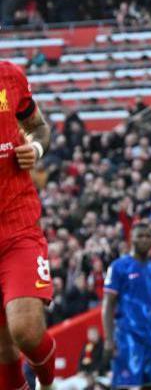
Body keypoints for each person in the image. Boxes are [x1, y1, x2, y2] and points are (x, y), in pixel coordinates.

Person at [0, 61, 56, 390]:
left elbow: (40, 127)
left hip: (18, 227)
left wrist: (34, 148)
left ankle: (49, 384)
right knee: (4, 349)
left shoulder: (10, 76)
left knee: (25, 329)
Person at [103, 224, 151, 390]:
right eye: (140, 235)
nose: (144, 239)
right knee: (124, 385)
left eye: (148, 236)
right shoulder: (118, 266)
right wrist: (108, 339)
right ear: (131, 239)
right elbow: (108, 305)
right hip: (127, 337)